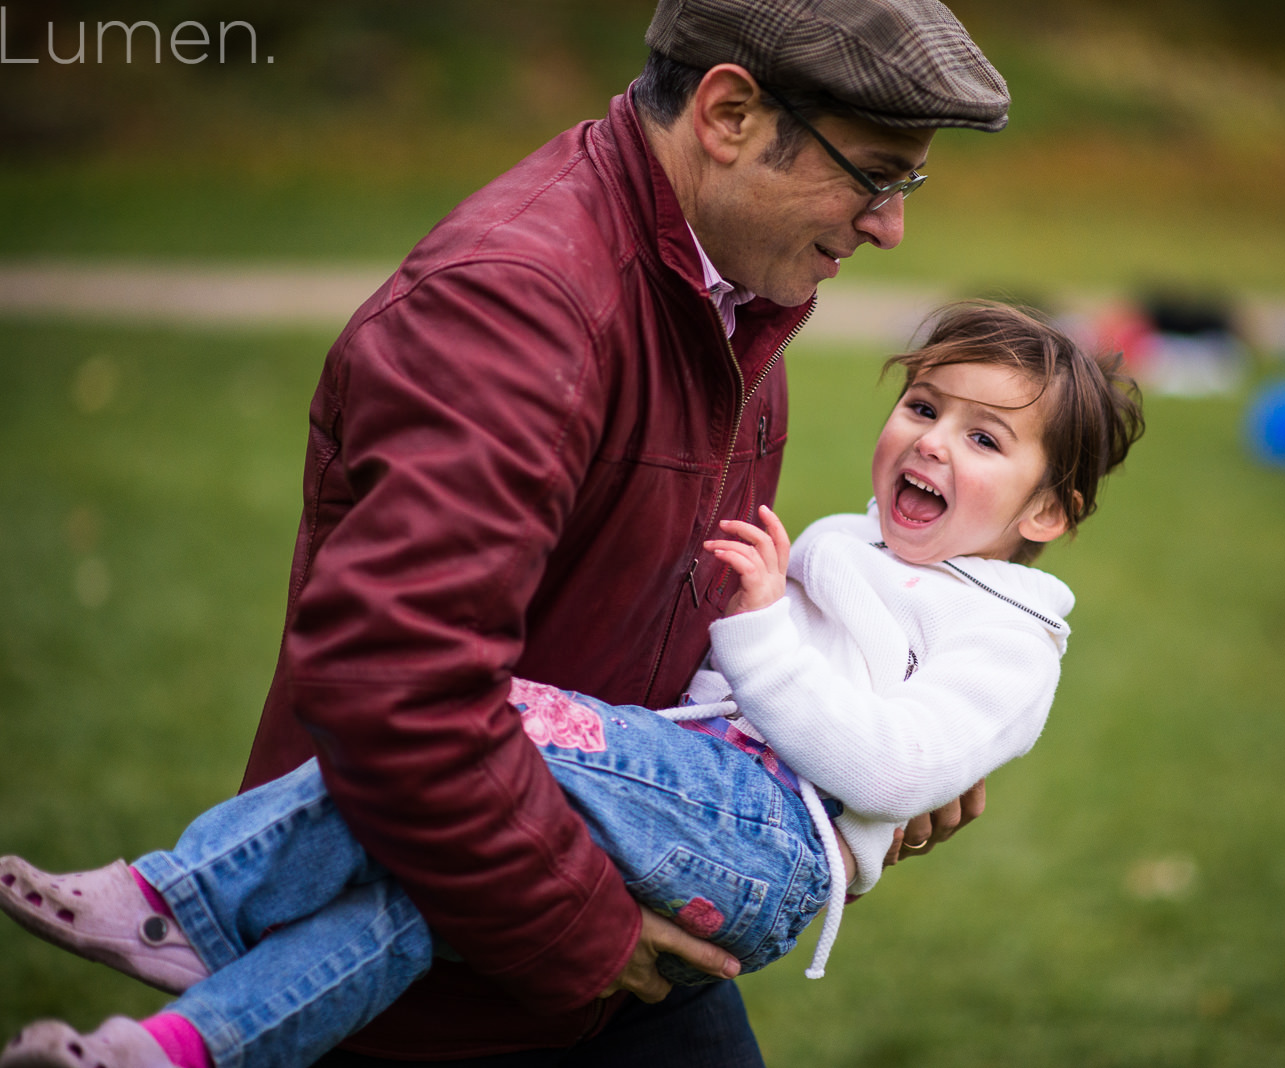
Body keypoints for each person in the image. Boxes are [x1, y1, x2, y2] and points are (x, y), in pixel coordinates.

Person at [10, 1, 1014, 1064]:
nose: (889, 225)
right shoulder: (518, 304)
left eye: (908, 183)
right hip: (437, 966)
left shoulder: (732, 291)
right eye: (872, 172)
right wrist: (585, 932)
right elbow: (395, 689)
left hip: (617, 935)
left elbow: (677, 630)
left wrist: (855, 762)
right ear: (726, 113)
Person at [0, 301, 1145, 1068]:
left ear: (1049, 514)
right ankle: (170, 1047)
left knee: (466, 727)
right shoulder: (854, 545)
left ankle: (185, 894)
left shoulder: (1009, 639)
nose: (934, 442)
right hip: (696, 800)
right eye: (925, 407)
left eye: (987, 439)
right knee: (430, 888)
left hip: (760, 843)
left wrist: (758, 634)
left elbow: (883, 765)